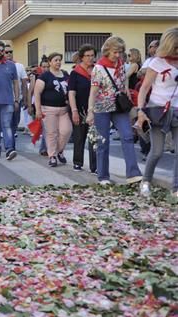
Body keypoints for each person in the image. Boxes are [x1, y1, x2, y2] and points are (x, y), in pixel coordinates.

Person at [86, 36, 142, 185]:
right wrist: (90, 111)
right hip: (101, 108)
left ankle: (133, 174)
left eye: (120, 52)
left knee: (128, 136)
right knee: (103, 142)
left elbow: (124, 84)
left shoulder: (121, 64)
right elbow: (93, 91)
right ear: (107, 50)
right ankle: (103, 176)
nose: (118, 55)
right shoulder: (99, 68)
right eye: (115, 52)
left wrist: (129, 100)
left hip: (119, 106)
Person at [136, 27, 178, 198]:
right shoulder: (156, 63)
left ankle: (175, 188)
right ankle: (146, 180)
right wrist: (140, 110)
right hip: (157, 109)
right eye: (175, 47)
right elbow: (144, 88)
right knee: (157, 151)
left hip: (177, 109)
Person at [34, 52, 71, 167]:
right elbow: (37, 93)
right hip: (48, 109)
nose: (58, 62)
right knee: (51, 133)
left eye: (60, 60)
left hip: (64, 109)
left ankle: (59, 151)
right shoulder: (44, 76)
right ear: (50, 62)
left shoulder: (65, 75)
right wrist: (38, 109)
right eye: (55, 60)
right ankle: (52, 156)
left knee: (66, 131)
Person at [69, 44, 97, 173]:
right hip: (80, 109)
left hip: (96, 109)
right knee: (79, 137)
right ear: (81, 57)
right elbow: (71, 93)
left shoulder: (97, 70)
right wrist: (74, 110)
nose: (90, 58)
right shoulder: (75, 73)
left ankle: (95, 166)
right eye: (87, 56)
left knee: (94, 138)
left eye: (92, 55)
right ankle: (78, 162)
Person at [4, 44, 29, 136]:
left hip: (17, 100)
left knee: (15, 121)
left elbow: (24, 84)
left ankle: (11, 136)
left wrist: (26, 100)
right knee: (6, 122)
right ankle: (8, 141)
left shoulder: (19, 66)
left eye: (11, 52)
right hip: (4, 100)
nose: (9, 54)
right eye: (6, 52)